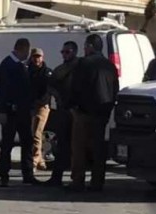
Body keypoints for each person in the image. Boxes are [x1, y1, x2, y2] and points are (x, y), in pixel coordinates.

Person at [67, 34, 118, 192]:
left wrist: (72, 106)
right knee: (98, 148)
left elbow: (75, 86)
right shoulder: (110, 65)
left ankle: (78, 180)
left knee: (79, 147)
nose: (84, 49)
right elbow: (114, 88)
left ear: (90, 46)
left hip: (84, 112)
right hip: (102, 112)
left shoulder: (84, 63)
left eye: (85, 46)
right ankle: (97, 181)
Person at [0, 38, 38, 186]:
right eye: (27, 51)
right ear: (20, 49)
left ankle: (28, 174)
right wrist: (2, 110)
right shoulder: (7, 64)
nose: (28, 54)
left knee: (27, 142)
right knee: (7, 144)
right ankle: (4, 175)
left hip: (23, 111)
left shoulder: (24, 65)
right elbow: (2, 89)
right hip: (10, 111)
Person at [46, 40, 78, 186]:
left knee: (76, 145)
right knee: (62, 144)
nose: (64, 54)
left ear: (74, 52)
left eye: (67, 52)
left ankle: (76, 179)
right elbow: (50, 86)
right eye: (63, 52)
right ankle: (57, 177)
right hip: (63, 111)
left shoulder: (80, 68)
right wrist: (57, 97)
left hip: (77, 111)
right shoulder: (60, 69)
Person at [28, 48, 52, 172]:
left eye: (38, 56)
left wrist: (39, 102)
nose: (36, 59)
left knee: (36, 133)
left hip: (42, 106)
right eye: (34, 56)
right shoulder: (27, 71)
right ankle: (40, 160)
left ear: (42, 57)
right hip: (30, 106)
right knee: (34, 133)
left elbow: (47, 91)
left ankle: (35, 159)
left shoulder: (47, 72)